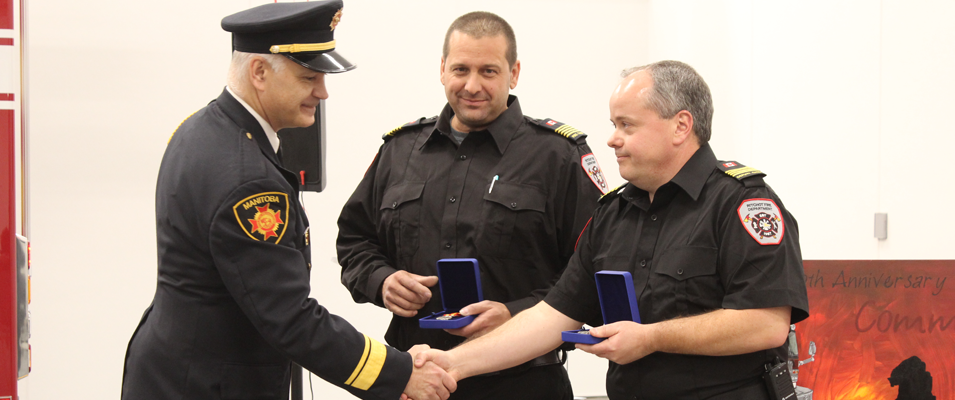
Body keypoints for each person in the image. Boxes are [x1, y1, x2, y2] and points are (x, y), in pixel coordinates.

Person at [414, 60, 811, 400]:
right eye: (613, 124)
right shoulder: (613, 214)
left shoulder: (743, 204)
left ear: (680, 126)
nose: (612, 139)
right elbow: (552, 318)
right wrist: (452, 363)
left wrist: (651, 337)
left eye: (626, 125)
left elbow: (765, 324)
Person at [120, 2, 454, 399]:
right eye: (308, 77)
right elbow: (290, 318)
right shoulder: (250, 181)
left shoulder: (201, 129)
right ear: (259, 72)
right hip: (211, 384)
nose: (322, 92)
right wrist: (397, 373)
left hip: (179, 370)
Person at [336, 11, 606, 400]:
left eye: (488, 71)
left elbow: (593, 270)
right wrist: (381, 281)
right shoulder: (400, 150)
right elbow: (355, 241)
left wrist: (515, 314)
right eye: (461, 69)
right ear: (442, 69)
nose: (472, 85)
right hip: (412, 378)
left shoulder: (558, 156)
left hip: (520, 383)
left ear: (514, 73)